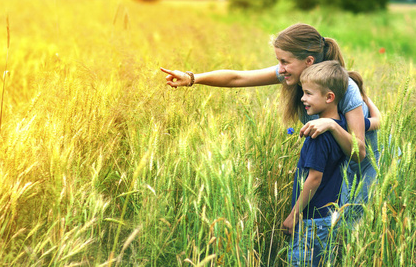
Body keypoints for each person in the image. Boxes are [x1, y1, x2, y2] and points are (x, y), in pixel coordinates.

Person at [161, 23, 380, 216]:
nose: (280, 69)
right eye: (278, 61)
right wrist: (192, 78)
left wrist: (331, 125)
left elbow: (359, 152)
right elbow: (238, 77)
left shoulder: (345, 88)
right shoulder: (300, 76)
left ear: (308, 61)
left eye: (285, 61)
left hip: (359, 169)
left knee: (348, 231)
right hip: (330, 169)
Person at [283, 60, 348, 266]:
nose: (302, 98)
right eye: (303, 92)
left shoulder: (317, 135)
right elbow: (375, 119)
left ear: (330, 97)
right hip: (328, 218)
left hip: (310, 221)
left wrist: (294, 215)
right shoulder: (342, 127)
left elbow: (314, 178)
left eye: (308, 93)